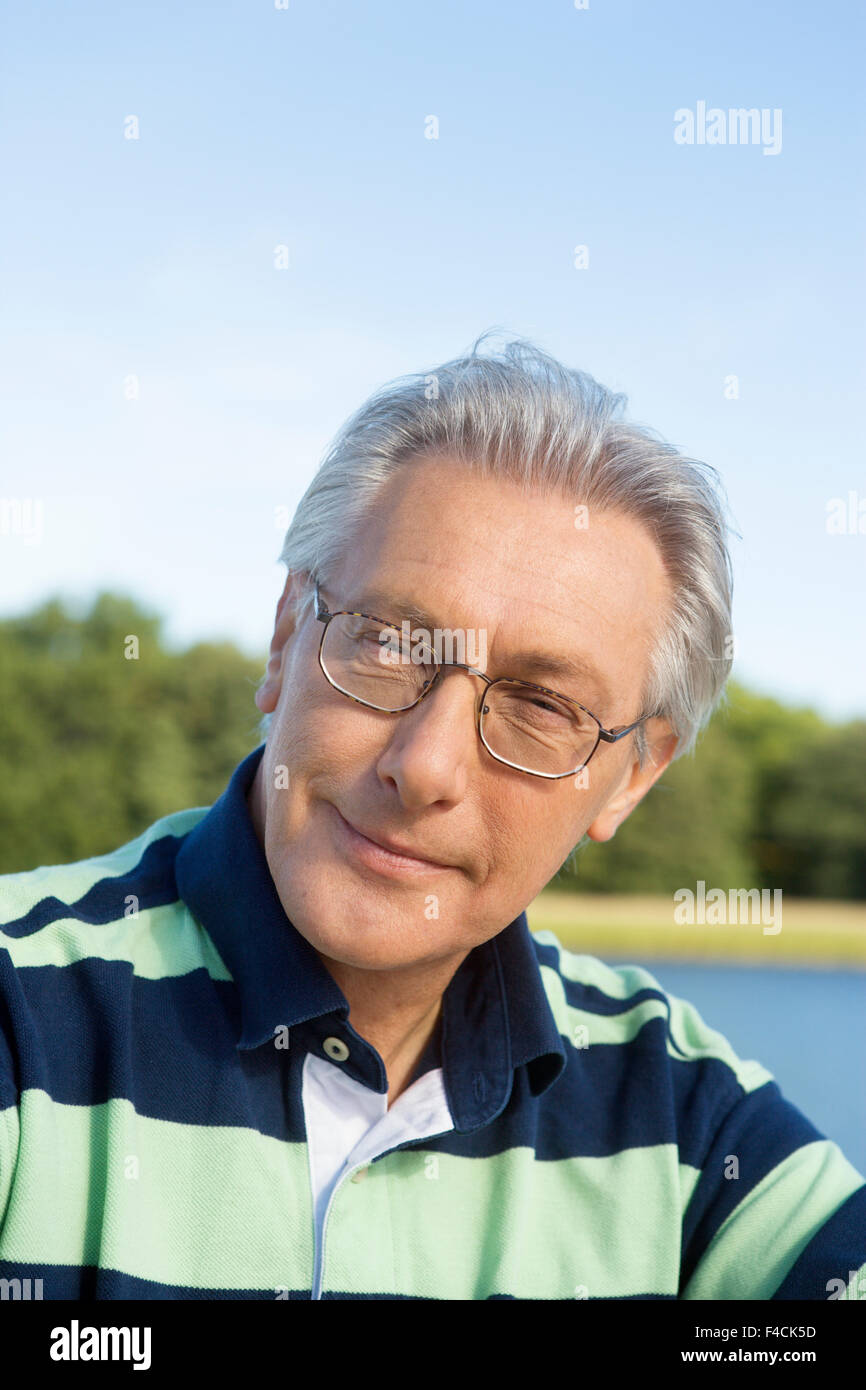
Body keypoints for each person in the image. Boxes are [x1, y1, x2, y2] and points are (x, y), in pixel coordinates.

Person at [1, 334, 863, 1301]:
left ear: (630, 777)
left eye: (543, 706)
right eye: (390, 644)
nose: (425, 765)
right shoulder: (16, 1013)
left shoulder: (691, 1129)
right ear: (286, 639)